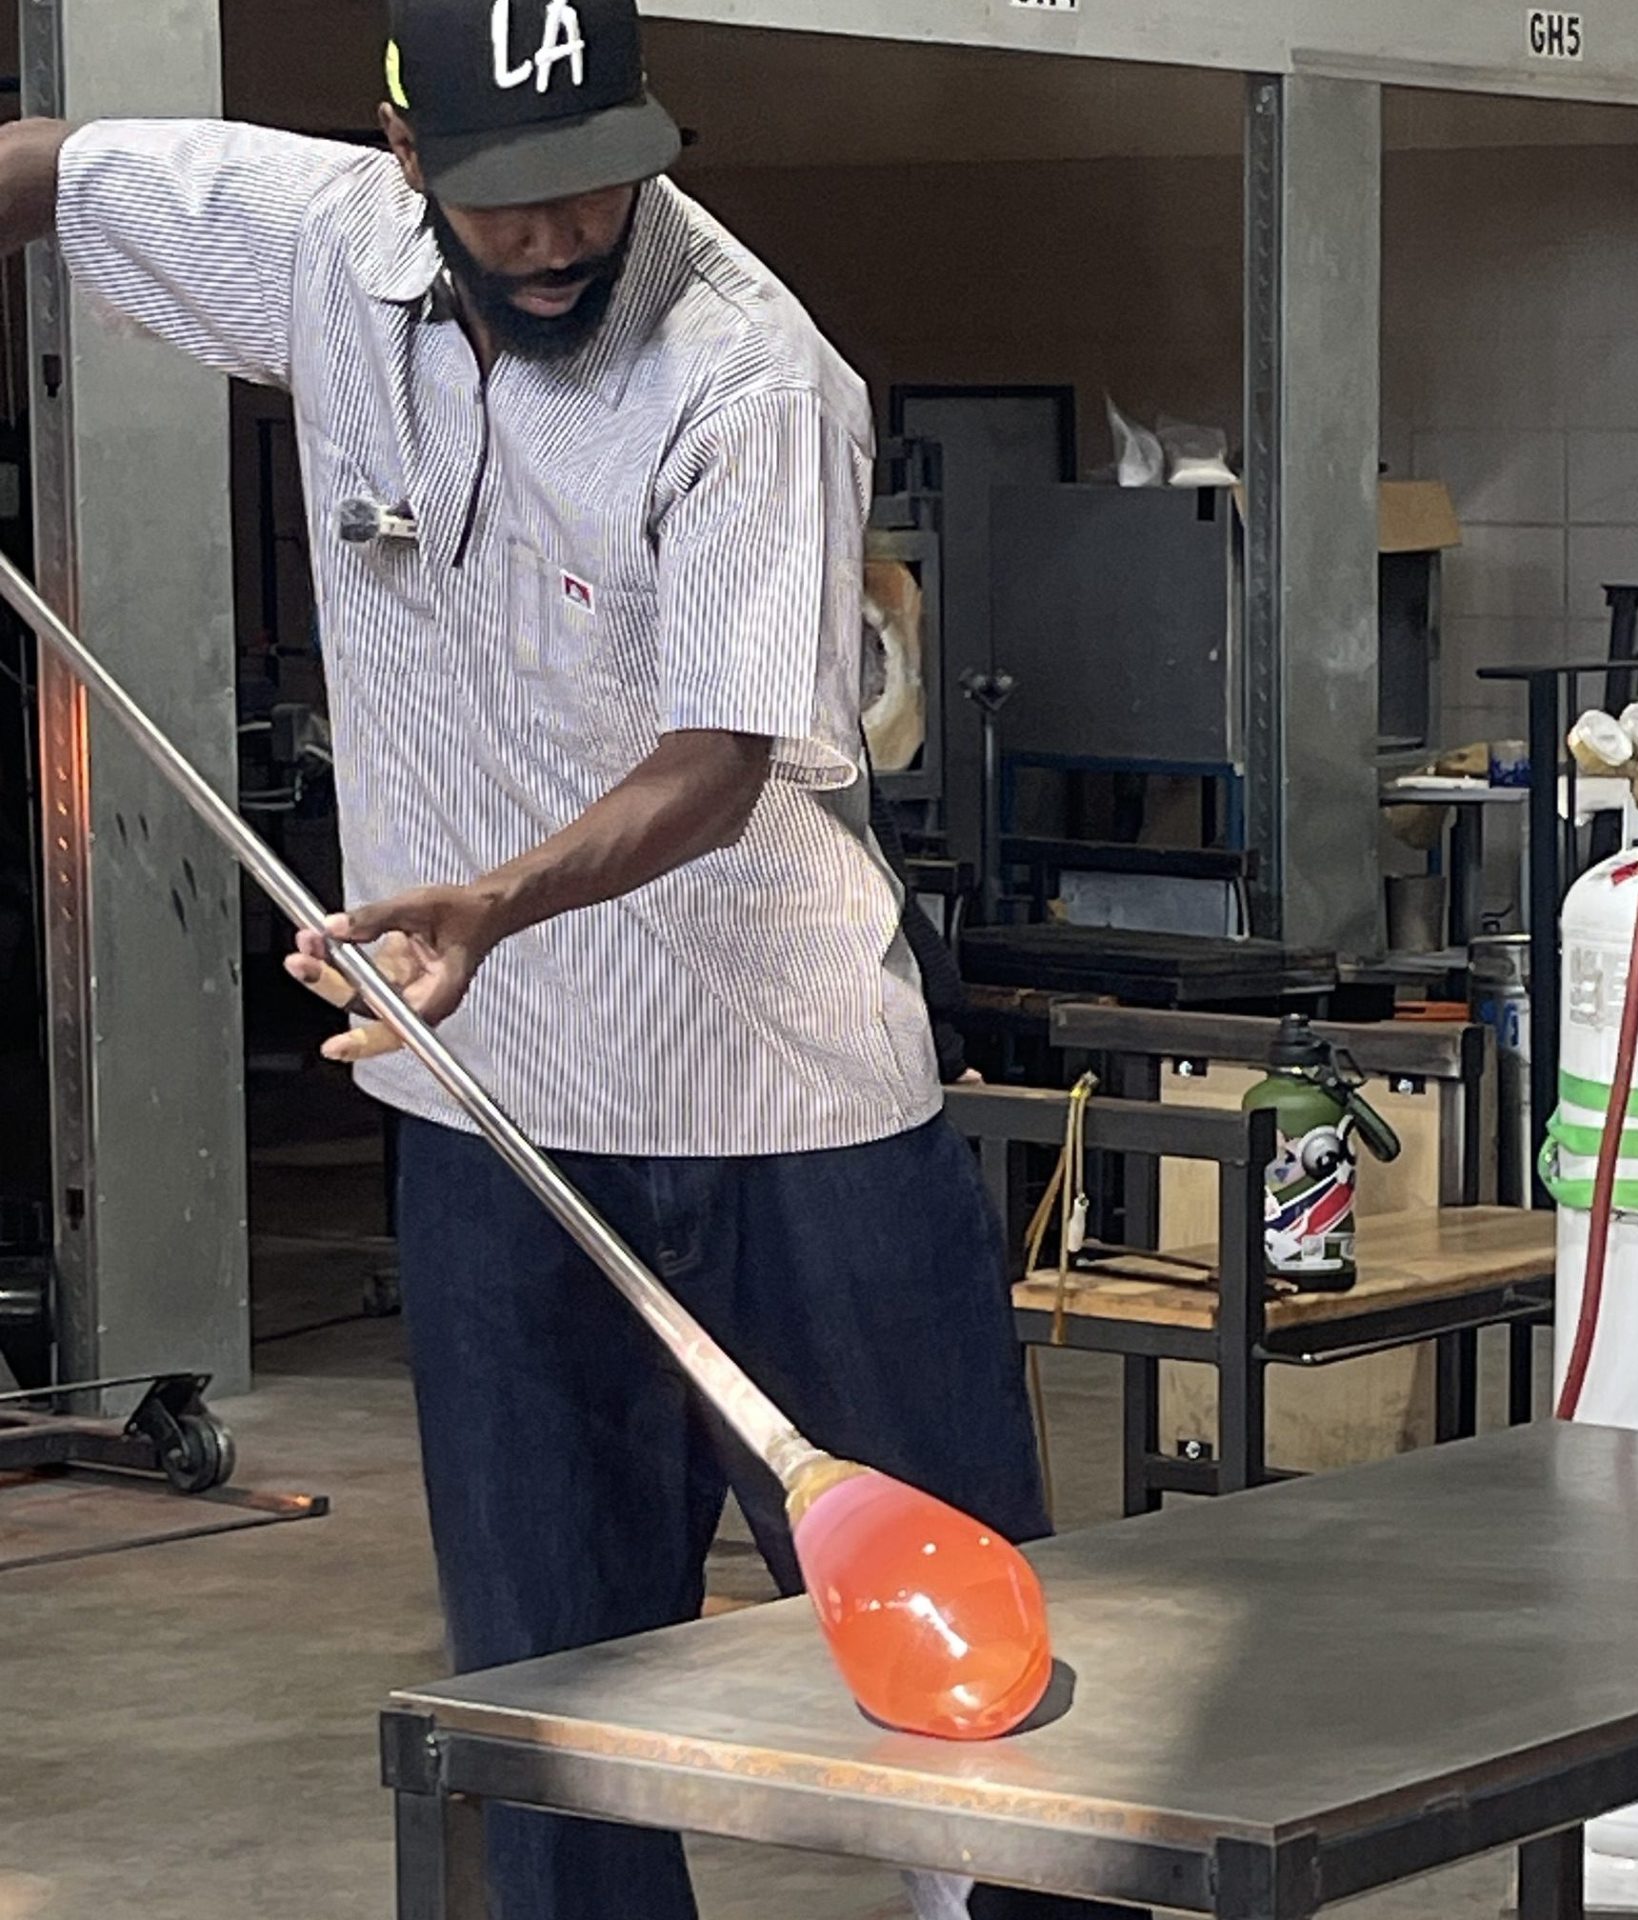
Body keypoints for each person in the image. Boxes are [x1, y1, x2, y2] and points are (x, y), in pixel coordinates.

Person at [0, 5, 1087, 1918]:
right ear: (408, 155)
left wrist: (489, 904)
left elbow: (717, 762)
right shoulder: (321, 245)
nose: (567, 232)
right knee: (549, 1692)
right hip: (491, 1111)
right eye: (510, 195)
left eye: (601, 176)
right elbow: (47, 170)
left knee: (969, 1684)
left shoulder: (748, 372)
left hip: (786, 1112)